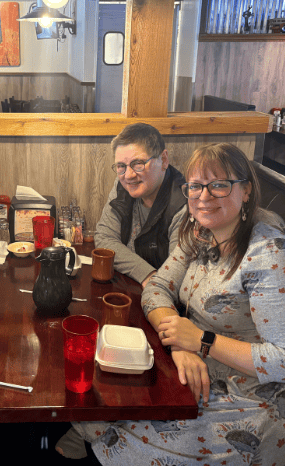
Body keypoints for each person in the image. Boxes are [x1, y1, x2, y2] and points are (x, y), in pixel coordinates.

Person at [68, 143, 285, 465]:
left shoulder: (267, 254)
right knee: (105, 392)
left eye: (219, 185)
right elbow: (157, 286)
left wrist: (203, 341)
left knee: (123, 424)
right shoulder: (198, 230)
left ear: (247, 190)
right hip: (190, 360)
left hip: (249, 394)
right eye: (195, 186)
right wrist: (179, 341)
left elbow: (281, 360)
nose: (203, 196)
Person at [95, 123, 186, 289]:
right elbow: (104, 237)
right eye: (121, 166)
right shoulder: (122, 184)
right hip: (134, 286)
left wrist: (151, 280)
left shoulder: (184, 205)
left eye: (138, 163)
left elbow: (175, 276)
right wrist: (147, 275)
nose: (128, 175)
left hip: (163, 298)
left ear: (164, 160)